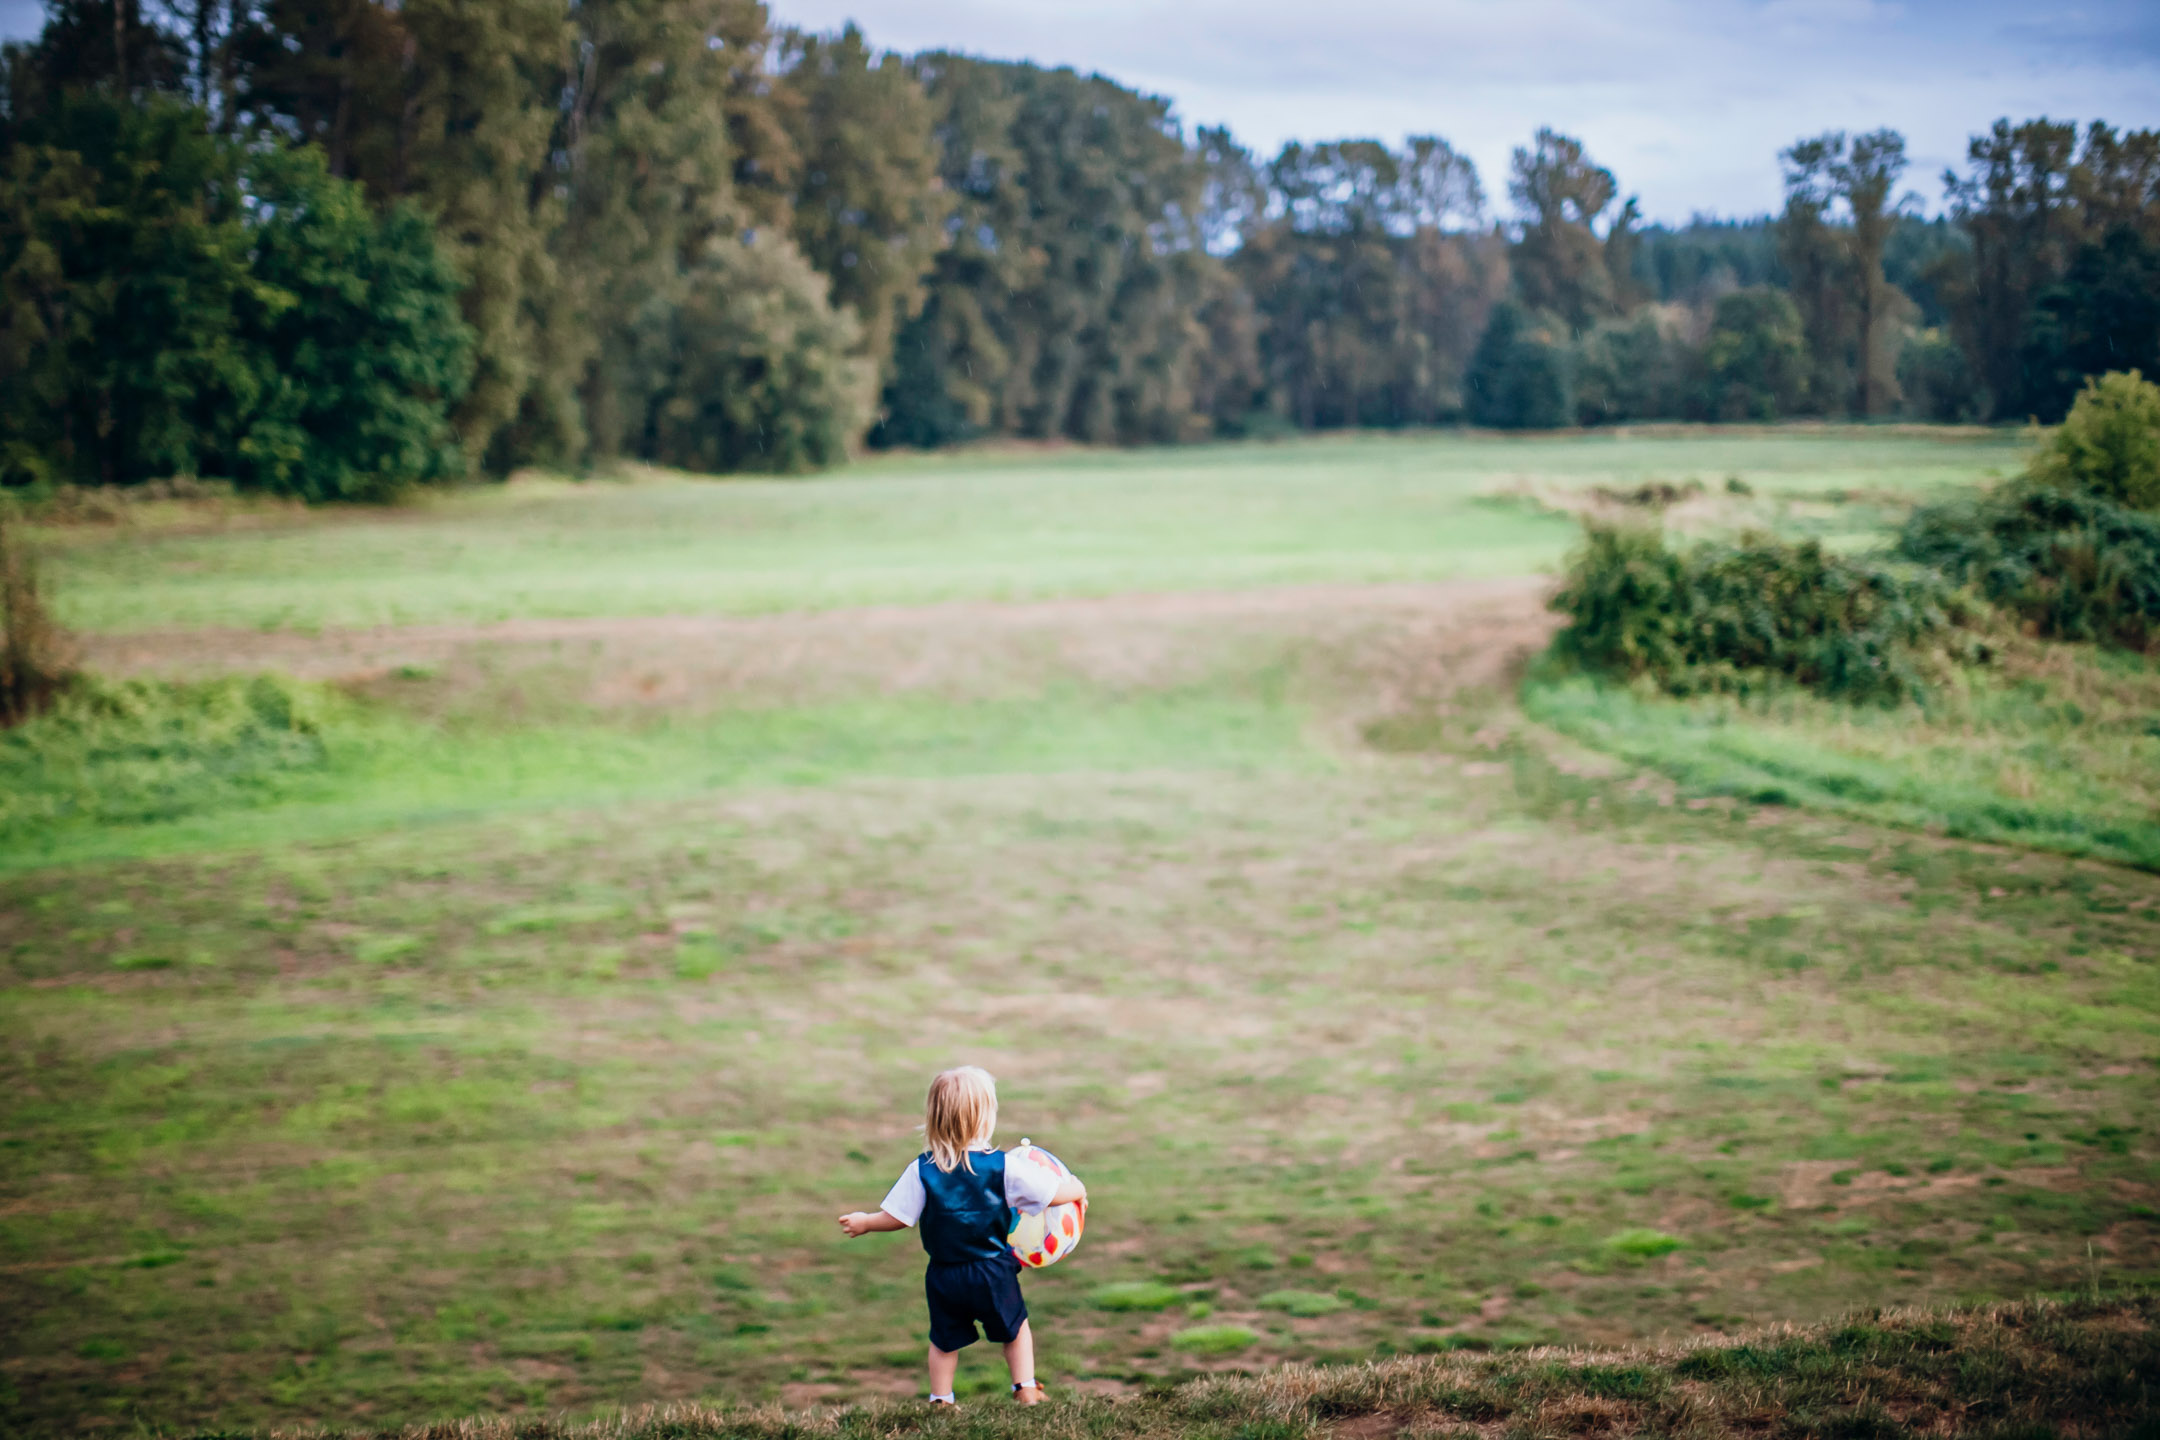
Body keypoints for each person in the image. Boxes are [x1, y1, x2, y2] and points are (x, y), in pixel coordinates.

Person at [838, 1065, 1087, 1406]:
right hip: (992, 1270)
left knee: (943, 1341)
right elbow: (1052, 1193)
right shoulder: (1004, 1166)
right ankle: (1025, 1388)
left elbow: (898, 1217)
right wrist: (1075, 1186)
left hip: (944, 1274)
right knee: (1015, 1328)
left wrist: (866, 1221)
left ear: (935, 1119)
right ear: (986, 1119)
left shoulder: (922, 1169)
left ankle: (941, 1399)